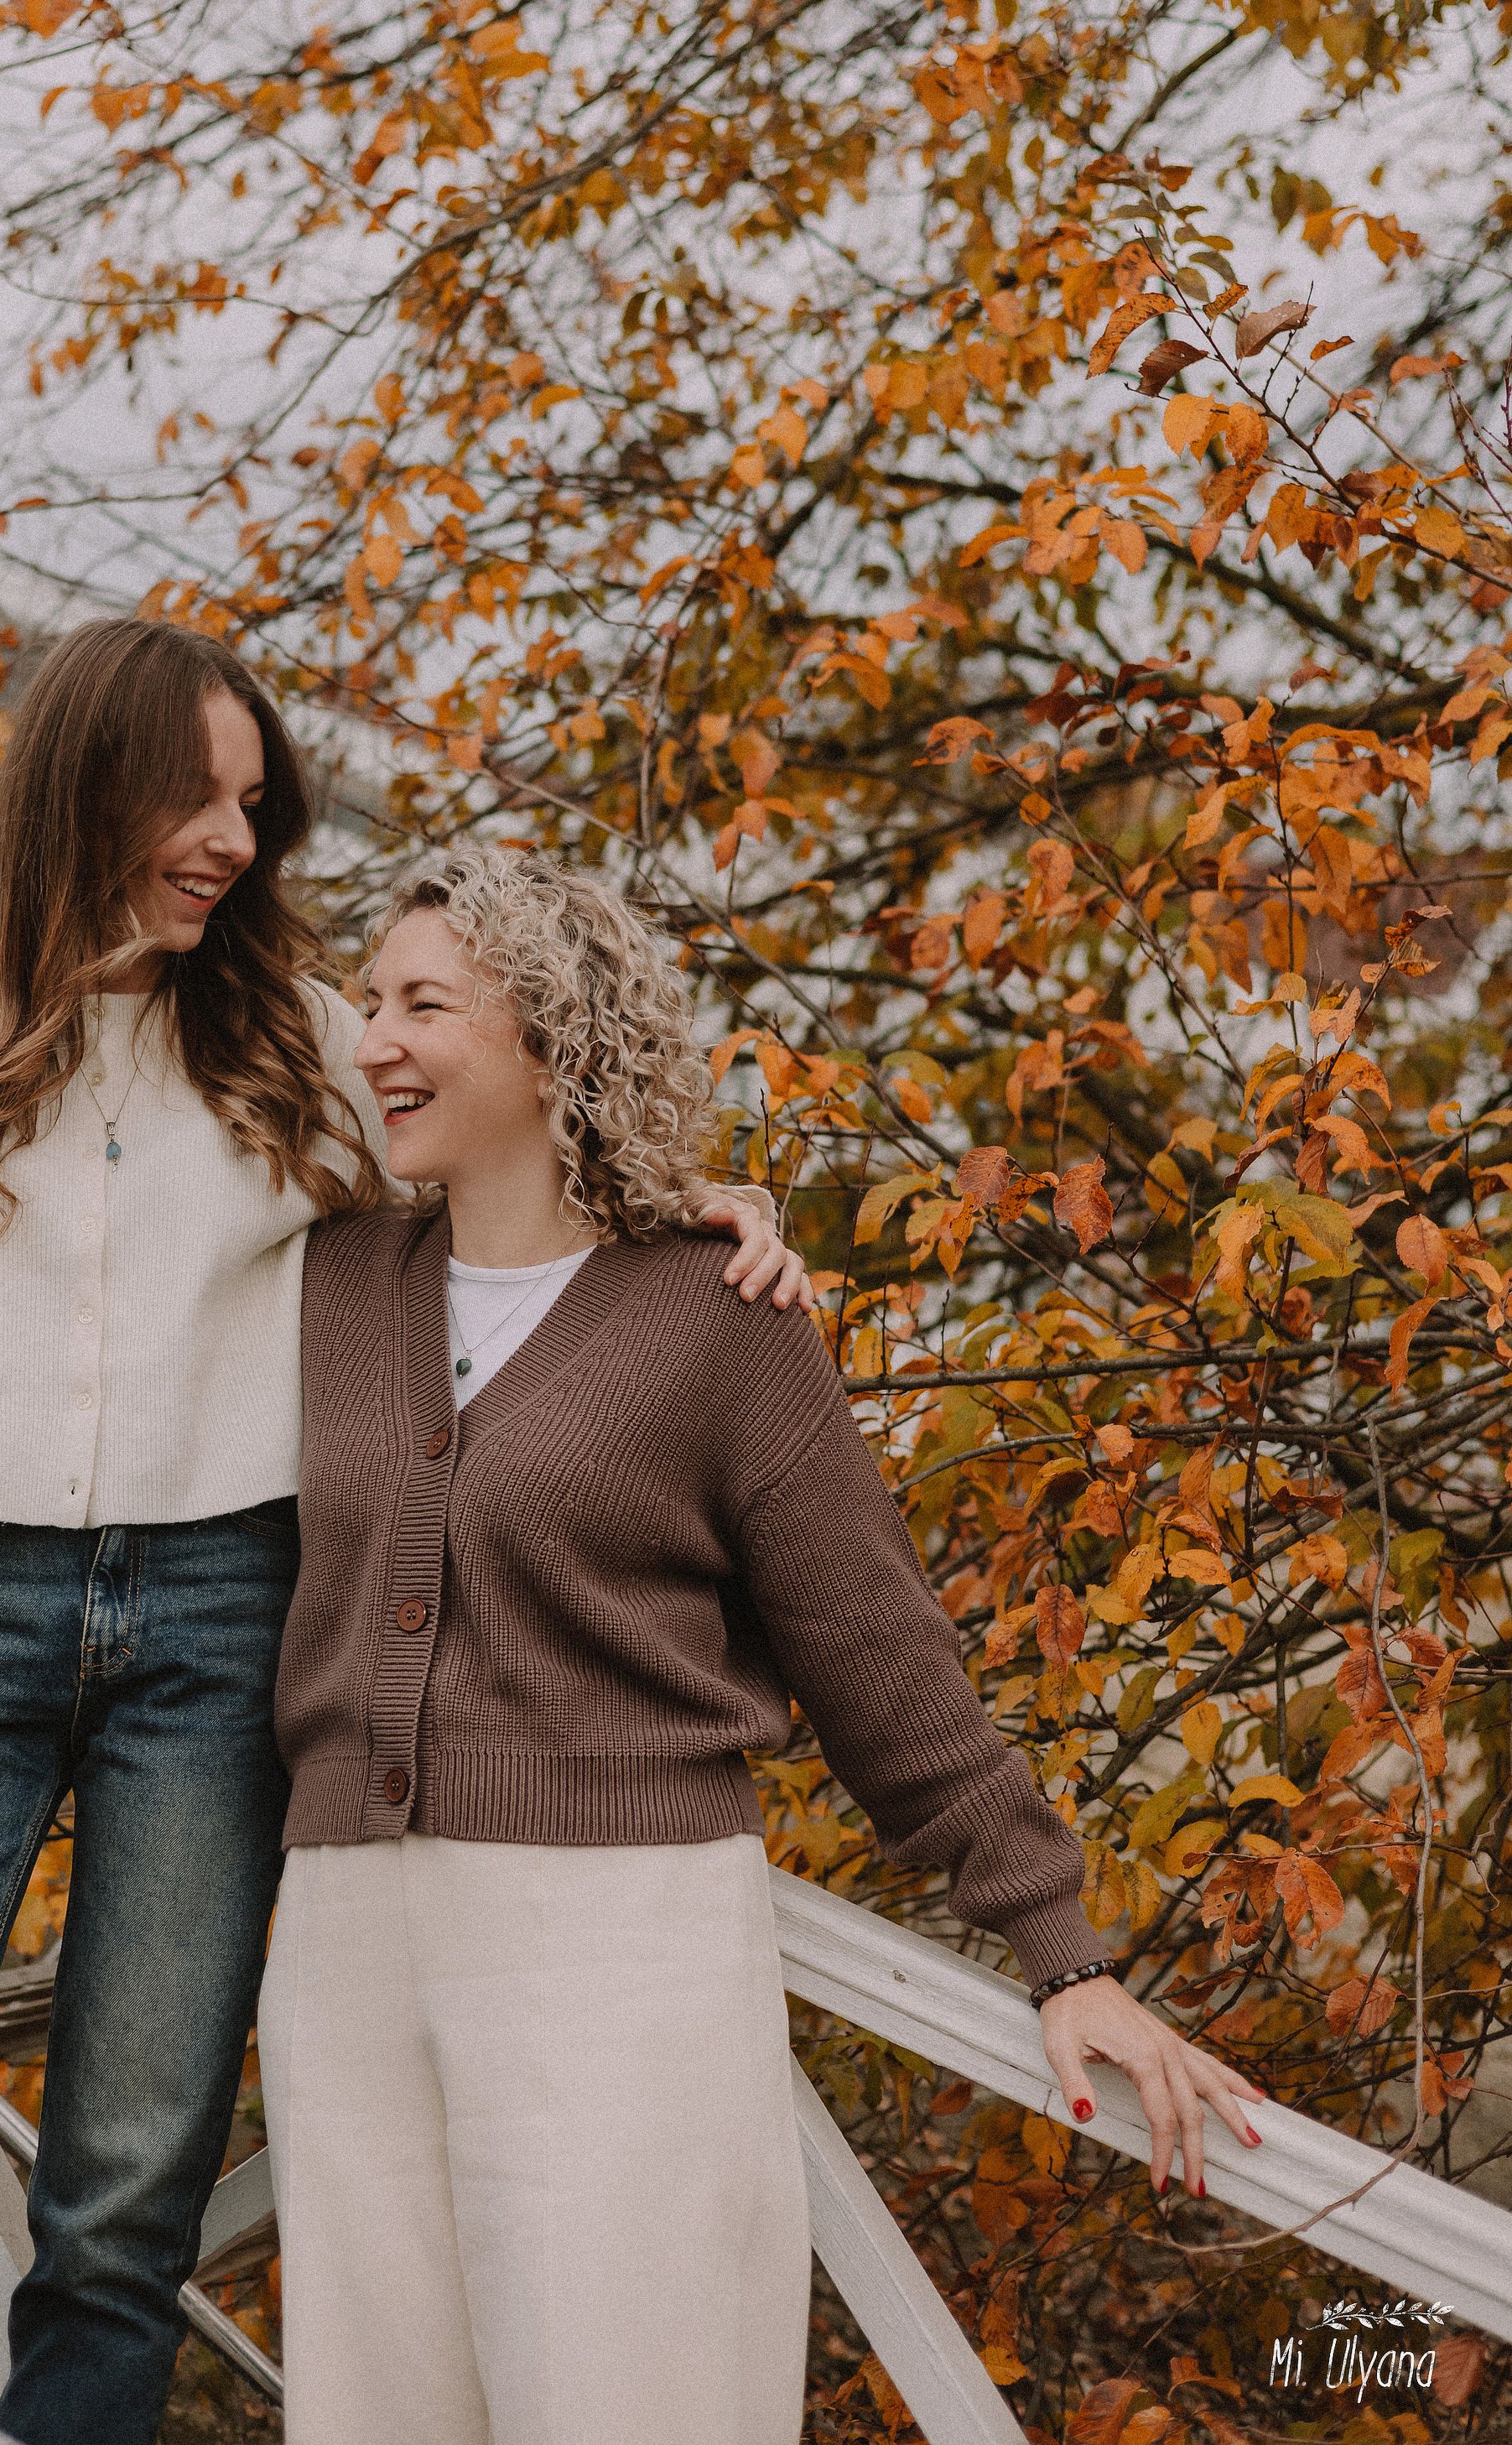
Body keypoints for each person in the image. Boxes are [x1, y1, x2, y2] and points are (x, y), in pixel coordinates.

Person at [0, 616, 797, 2444]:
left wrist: (688, 1209)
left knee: (127, 2192)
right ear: (85, 783)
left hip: (229, 1624)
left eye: (254, 805)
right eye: (197, 798)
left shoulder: (299, 1038)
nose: (233, 842)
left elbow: (504, 1177)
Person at [261, 845, 1267, 2445]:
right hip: (344, 1939)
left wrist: (1062, 1951)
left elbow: (876, 1654)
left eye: (423, 1005)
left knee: (625, 2395)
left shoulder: (718, 1315)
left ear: (553, 1040)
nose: (370, 1037)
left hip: (615, 1942)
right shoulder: (321, 1285)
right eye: (367, 1000)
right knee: (375, 2408)